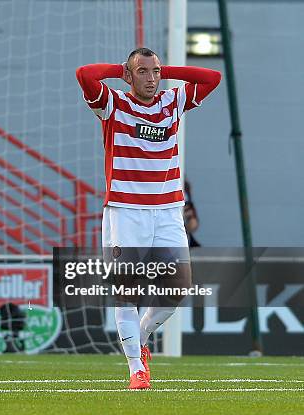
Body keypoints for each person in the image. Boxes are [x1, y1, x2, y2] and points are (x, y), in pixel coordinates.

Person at [76, 48, 221, 389]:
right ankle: (135, 370)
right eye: (143, 72)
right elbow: (85, 72)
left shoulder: (172, 101)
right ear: (129, 75)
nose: (152, 78)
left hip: (169, 210)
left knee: (178, 288)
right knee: (126, 291)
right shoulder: (112, 104)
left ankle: (141, 339)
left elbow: (212, 78)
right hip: (125, 211)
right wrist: (122, 69)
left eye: (155, 72)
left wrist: (161, 66)